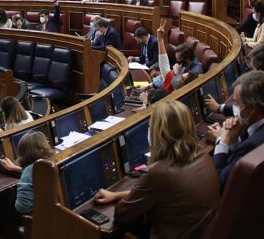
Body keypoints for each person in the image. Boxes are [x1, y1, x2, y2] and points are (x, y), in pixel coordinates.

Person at [93, 102, 219, 239]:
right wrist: (116, 195)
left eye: (150, 126)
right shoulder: (202, 155)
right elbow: (162, 191)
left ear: (159, 132)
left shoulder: (161, 172)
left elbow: (121, 214)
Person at [0, 130, 53, 214]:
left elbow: (22, 207)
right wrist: (16, 168)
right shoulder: (54, 160)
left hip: (40, 220)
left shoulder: (29, 171)